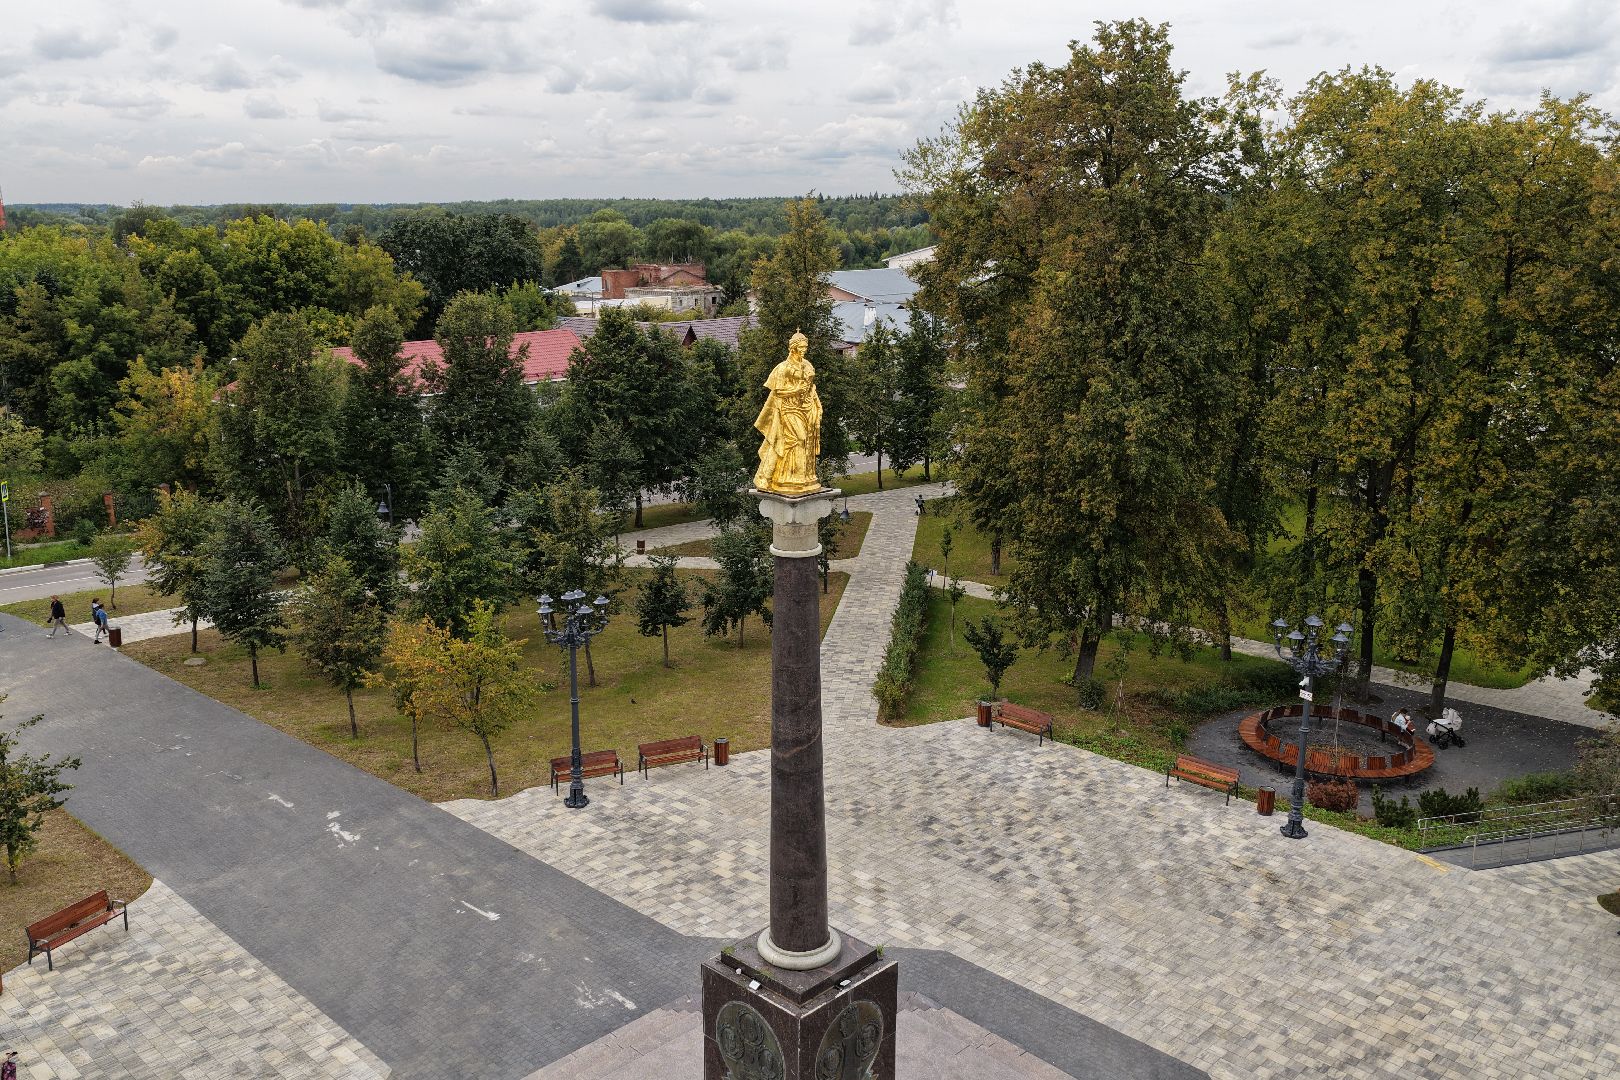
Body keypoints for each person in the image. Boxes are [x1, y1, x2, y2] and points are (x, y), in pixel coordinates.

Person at [752, 330, 823, 496]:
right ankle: (777, 476)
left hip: (805, 408)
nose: (804, 350)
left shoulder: (807, 365)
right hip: (788, 409)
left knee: (806, 442)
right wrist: (796, 390)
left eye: (806, 347)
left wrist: (817, 405)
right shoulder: (783, 368)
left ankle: (798, 476)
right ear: (794, 348)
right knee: (799, 438)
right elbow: (778, 392)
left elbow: (812, 387)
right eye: (802, 347)